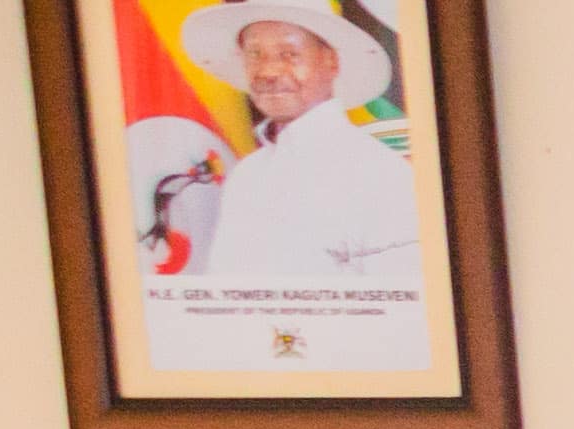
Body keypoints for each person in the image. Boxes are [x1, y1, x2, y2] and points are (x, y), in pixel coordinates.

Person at [176, 4, 419, 301]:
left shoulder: (381, 175)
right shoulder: (246, 176)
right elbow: (224, 298)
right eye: (255, 54)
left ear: (331, 62)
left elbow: (402, 310)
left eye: (288, 54)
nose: (268, 71)